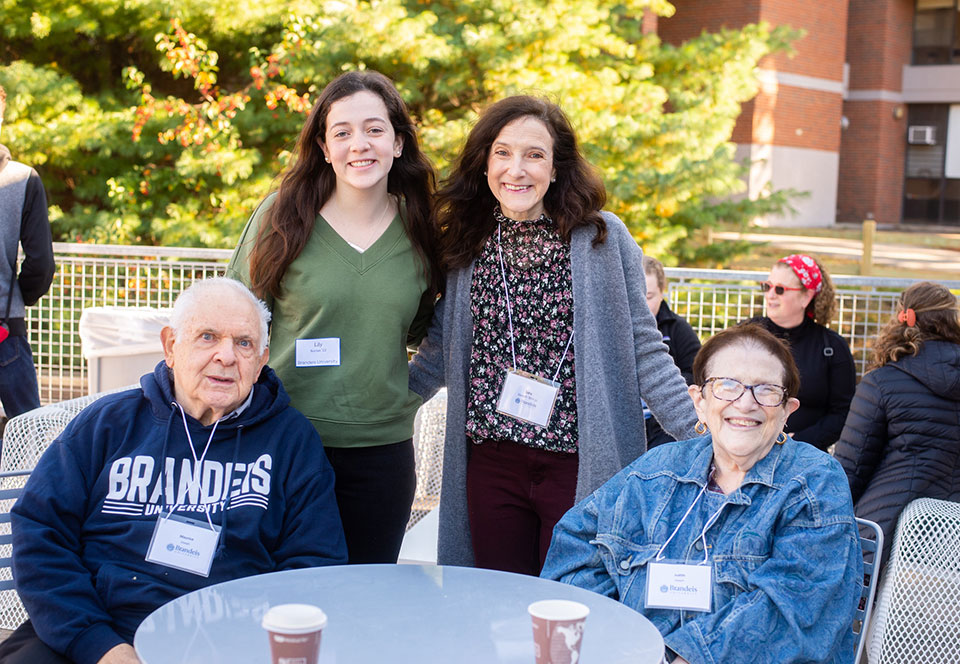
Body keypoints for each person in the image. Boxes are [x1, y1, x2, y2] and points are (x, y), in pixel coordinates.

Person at [408, 95, 697, 576]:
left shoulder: (602, 239)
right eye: (502, 153)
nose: (516, 169)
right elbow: (438, 353)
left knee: (571, 603)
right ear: (484, 164)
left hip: (578, 462)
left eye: (534, 155)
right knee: (498, 605)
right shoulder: (469, 241)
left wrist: (702, 431)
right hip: (490, 462)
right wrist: (370, 412)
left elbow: (645, 350)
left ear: (557, 168)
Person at [2, 278, 347, 664]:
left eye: (244, 343)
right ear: (170, 346)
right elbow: (40, 534)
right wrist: (99, 645)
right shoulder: (107, 425)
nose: (226, 356)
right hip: (98, 628)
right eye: (207, 337)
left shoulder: (292, 441)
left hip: (229, 641)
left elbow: (315, 564)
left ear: (263, 358)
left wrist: (247, 645)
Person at [542, 323, 862, 664]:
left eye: (766, 390)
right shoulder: (657, 470)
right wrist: (621, 634)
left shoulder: (814, 482)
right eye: (727, 386)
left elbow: (794, 604)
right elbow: (575, 548)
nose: (745, 403)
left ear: (786, 410)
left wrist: (688, 657)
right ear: (699, 401)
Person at [227, 70, 441, 564]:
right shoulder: (279, 218)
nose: (358, 145)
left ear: (398, 141)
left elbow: (426, 329)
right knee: (278, 602)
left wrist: (409, 389)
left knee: (362, 606)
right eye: (341, 132)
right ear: (324, 147)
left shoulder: (423, 230)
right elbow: (236, 325)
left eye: (374, 129)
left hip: (381, 455)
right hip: (280, 443)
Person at [835, 281, 960, 565]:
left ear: (903, 316)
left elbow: (850, 470)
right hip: (954, 535)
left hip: (887, 530)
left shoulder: (881, 382)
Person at [749, 253, 855, 450]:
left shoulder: (832, 347)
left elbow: (843, 412)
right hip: (747, 449)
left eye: (780, 289)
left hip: (804, 456)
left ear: (806, 297)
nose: (770, 295)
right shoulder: (746, 335)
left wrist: (799, 442)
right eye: (767, 286)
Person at [0, 84, 55, 419]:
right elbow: (41, 265)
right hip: (5, 326)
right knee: (28, 435)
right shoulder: (22, 179)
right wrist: (21, 295)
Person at [642, 255, 701, 448]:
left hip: (664, 423)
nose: (642, 304)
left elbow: (697, 373)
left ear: (662, 292)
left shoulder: (678, 328)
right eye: (637, 295)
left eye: (649, 296)